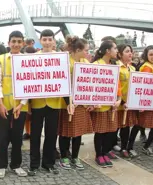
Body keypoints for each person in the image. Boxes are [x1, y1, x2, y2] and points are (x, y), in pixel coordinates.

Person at [28, 29, 68, 176]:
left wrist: (68, 102)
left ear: (54, 41)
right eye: (44, 39)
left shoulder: (61, 58)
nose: (47, 42)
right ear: (40, 41)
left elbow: (65, 80)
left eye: (49, 39)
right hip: (37, 103)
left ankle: (48, 163)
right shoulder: (32, 58)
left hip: (54, 103)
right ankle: (33, 164)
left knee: (51, 135)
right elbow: (27, 80)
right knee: (35, 135)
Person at [0, 31, 28, 178]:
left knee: (17, 137)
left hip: (21, 106)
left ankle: (16, 165)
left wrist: (22, 103)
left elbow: (29, 83)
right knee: (2, 137)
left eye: (19, 41)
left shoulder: (26, 60)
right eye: (13, 41)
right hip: (4, 105)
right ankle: (1, 166)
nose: (16, 44)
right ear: (8, 43)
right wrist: (0, 103)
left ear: (23, 44)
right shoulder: (1, 59)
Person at [58, 36, 93, 170]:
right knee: (65, 132)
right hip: (67, 103)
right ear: (78, 50)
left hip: (81, 104)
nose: (87, 53)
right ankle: (64, 156)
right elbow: (62, 82)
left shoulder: (85, 62)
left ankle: (75, 156)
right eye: (86, 50)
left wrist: (90, 101)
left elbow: (90, 82)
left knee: (78, 133)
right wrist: (69, 102)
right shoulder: (66, 61)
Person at [127, 45, 153, 157]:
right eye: (151, 54)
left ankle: (146, 146)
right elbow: (142, 86)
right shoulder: (147, 67)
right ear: (146, 55)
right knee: (139, 125)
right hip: (146, 103)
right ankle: (130, 147)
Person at [91, 40, 122, 168]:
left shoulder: (114, 65)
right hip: (100, 106)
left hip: (111, 105)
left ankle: (104, 153)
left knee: (110, 131)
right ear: (107, 51)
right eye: (115, 48)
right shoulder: (96, 64)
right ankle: (99, 155)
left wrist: (119, 100)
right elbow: (90, 84)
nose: (116, 51)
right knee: (100, 131)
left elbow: (118, 86)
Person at [115, 44, 139, 158]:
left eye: (131, 51)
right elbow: (115, 86)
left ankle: (124, 148)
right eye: (127, 51)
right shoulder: (116, 67)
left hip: (128, 105)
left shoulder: (133, 68)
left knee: (126, 127)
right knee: (114, 128)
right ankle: (110, 146)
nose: (130, 53)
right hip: (118, 104)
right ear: (119, 54)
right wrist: (122, 101)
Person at [22, 46, 36, 141]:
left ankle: (31, 132)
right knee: (26, 116)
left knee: (32, 117)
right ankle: (28, 132)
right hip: (24, 94)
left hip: (34, 95)